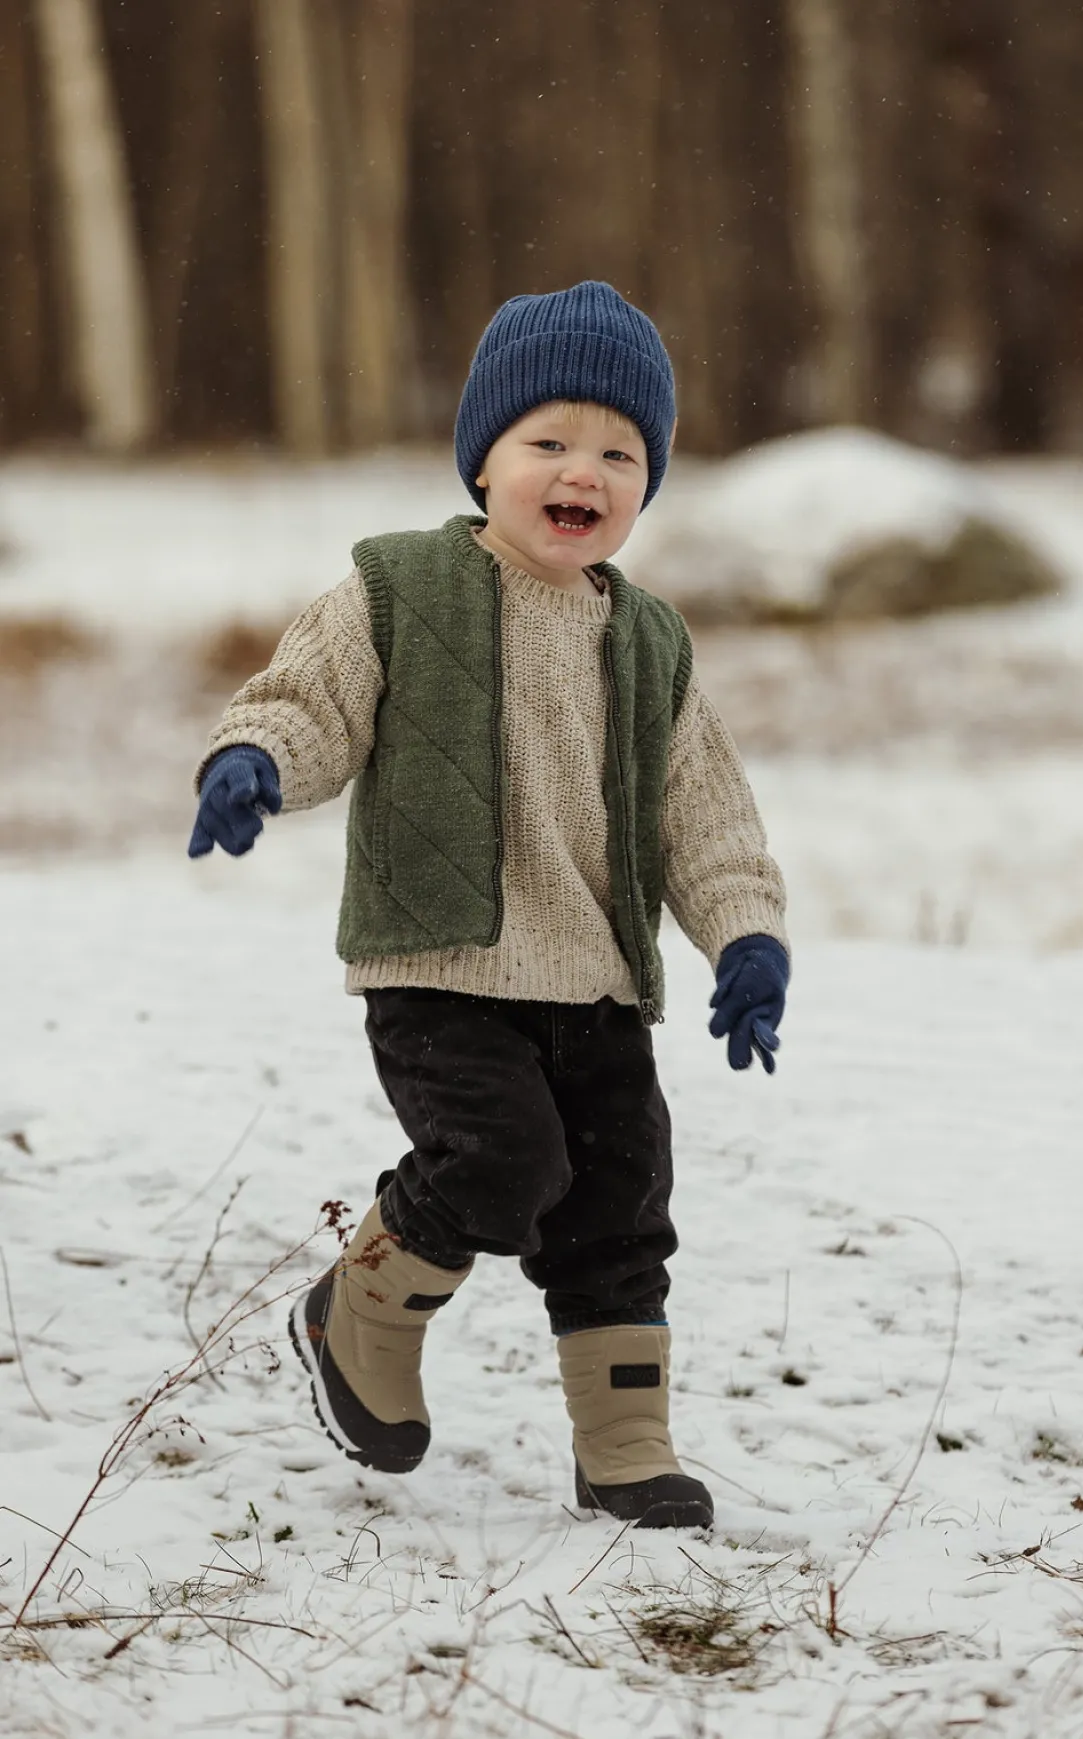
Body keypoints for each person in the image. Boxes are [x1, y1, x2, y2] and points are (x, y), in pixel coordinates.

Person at [189, 281, 789, 1530]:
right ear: (482, 459)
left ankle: (624, 1443)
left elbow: (704, 813)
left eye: (619, 453)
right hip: (442, 964)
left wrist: (745, 937)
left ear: (648, 481)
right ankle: (357, 1310)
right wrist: (254, 759)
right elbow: (308, 701)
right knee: (502, 1159)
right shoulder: (400, 588)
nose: (583, 472)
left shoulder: (651, 642)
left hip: (596, 982)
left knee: (619, 1205)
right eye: (548, 440)